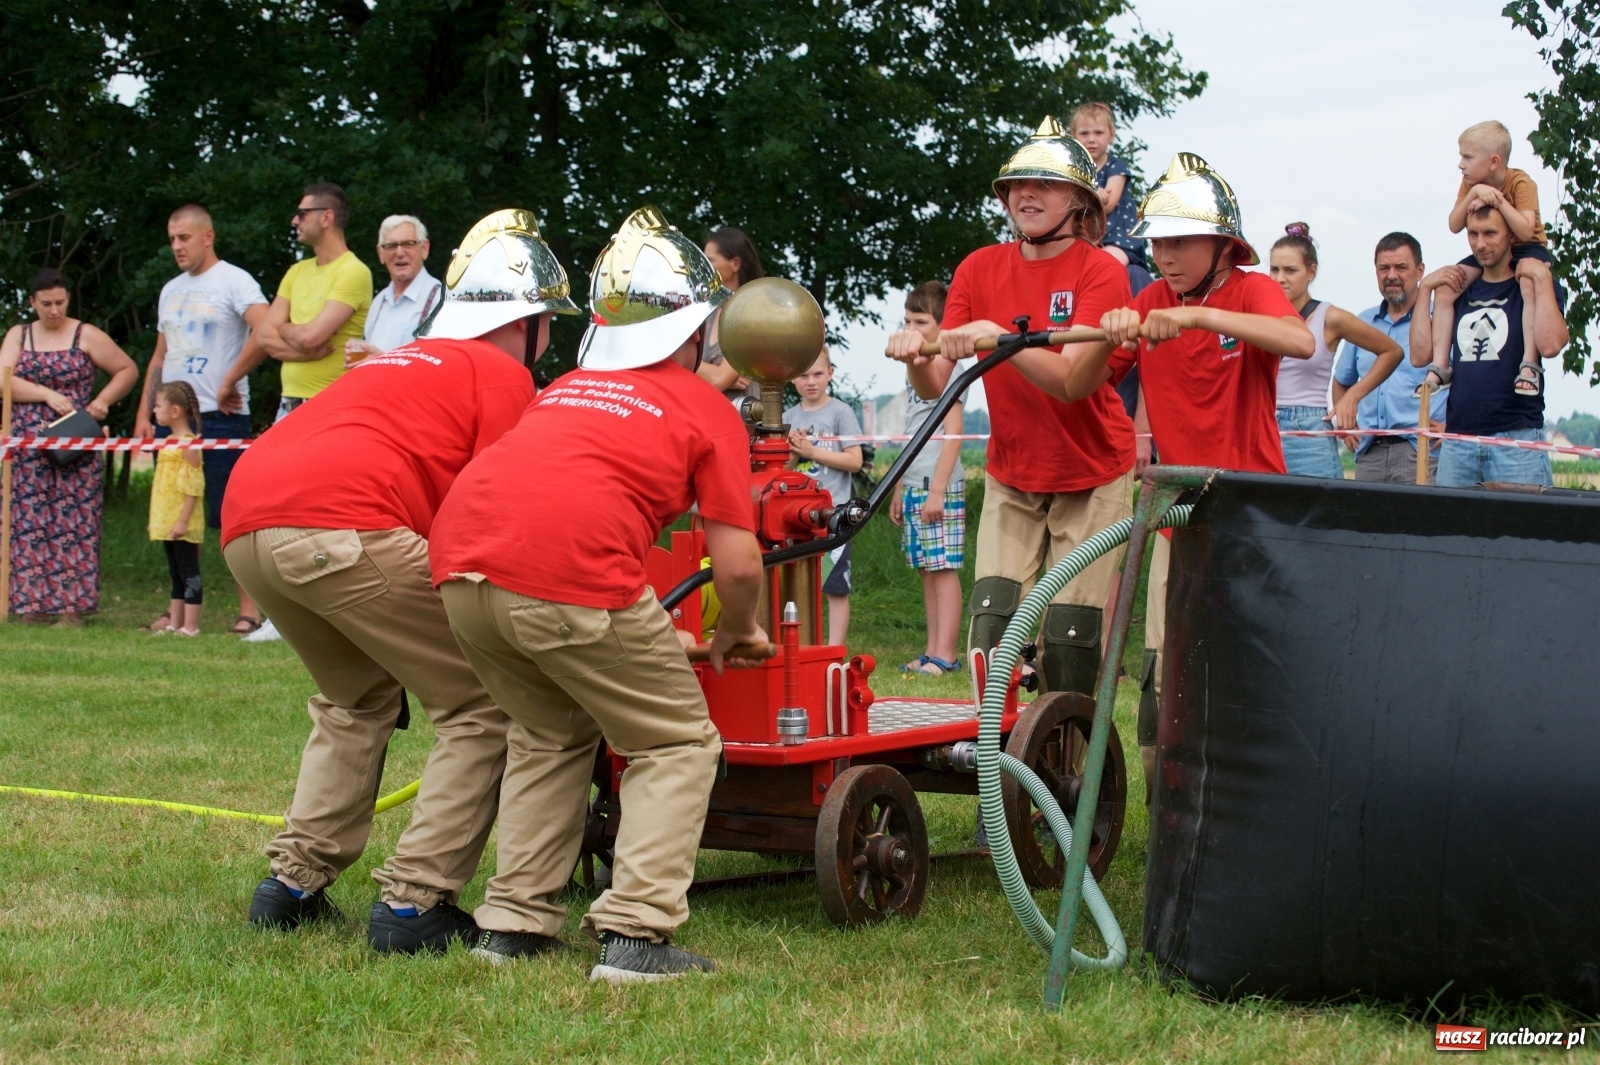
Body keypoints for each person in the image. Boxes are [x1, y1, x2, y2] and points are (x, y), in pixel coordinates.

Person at [221, 209, 580, 953]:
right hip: (341, 525)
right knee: (484, 697)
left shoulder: (400, 359)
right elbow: (497, 511)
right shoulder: (501, 374)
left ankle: (290, 885)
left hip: (247, 522)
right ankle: (416, 902)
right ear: (531, 323)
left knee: (356, 696)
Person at [428, 206, 766, 982]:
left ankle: (512, 924)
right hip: (567, 576)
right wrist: (738, 631)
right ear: (694, 330)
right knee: (675, 740)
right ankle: (635, 937)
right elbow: (738, 563)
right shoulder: (707, 407)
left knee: (548, 731)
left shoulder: (566, 388)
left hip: (460, 569)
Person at [1050, 153, 1315, 795]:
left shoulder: (1251, 288)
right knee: (1164, 664)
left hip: (1252, 510)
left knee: (1251, 658)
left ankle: (1263, 794)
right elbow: (1077, 386)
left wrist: (1198, 317)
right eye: (1157, 242)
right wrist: (1100, 334)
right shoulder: (1147, 300)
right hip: (1176, 512)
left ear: (1222, 244)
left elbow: (1300, 343)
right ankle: (1169, 799)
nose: (1164, 255)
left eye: (1179, 241)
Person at [885, 116, 1135, 699]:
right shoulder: (978, 267)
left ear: (1078, 199)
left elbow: (1073, 382)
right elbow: (936, 385)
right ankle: (996, 769)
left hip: (1095, 473)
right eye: (1016, 184)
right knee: (990, 633)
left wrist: (1000, 336)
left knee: (1070, 643)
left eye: (1044, 184)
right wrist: (912, 357)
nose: (1026, 194)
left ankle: (1069, 777)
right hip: (1013, 473)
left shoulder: (1101, 271)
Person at [136, 203, 270, 635]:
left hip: (219, 416)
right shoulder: (171, 289)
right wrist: (144, 413)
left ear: (208, 236)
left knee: (227, 515)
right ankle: (178, 607)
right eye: (172, 238)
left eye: (185, 237)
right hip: (171, 420)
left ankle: (250, 609)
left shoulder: (235, 280)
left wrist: (232, 379)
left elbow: (265, 329)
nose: (176, 246)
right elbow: (161, 355)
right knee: (174, 515)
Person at [0, 269, 137, 625]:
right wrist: (46, 394)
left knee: (75, 526)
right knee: (27, 524)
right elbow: (4, 380)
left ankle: (71, 610)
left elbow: (126, 369)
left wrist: (102, 401)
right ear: (32, 303)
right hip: (28, 447)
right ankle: (29, 607)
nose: (54, 310)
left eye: (60, 302)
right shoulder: (20, 335)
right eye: (46, 304)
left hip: (75, 444)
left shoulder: (85, 334)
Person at [1412, 206, 1569, 489]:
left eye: (1490, 233)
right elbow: (1420, 356)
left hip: (1516, 439)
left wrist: (1543, 278)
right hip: (1458, 441)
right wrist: (1424, 290)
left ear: (1510, 235)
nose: (1480, 244)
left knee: (1523, 532)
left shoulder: (1531, 286)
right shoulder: (1460, 290)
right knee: (1450, 533)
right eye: (1473, 234)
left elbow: (1552, 345)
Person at [1419, 121, 1550, 398]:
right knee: (1447, 287)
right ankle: (1441, 365)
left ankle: (1529, 364)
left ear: (1493, 161)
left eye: (1467, 157)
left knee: (1528, 284)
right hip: (1489, 250)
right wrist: (1476, 193)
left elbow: (1526, 230)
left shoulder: (1521, 182)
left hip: (1527, 248)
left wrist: (1500, 201)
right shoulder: (1471, 185)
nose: (1460, 165)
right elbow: (1455, 224)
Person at [1268, 223, 1403, 478]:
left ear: (1312, 272)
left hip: (1308, 430)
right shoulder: (1258, 316)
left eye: (1290, 270)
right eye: (1274, 269)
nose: (1279, 278)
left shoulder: (1330, 317)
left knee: (1318, 516)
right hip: (1261, 425)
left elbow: (1392, 351)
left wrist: (1352, 396)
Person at [888, 281, 967, 676]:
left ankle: (947, 654)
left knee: (944, 569)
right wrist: (899, 486)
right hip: (915, 482)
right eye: (906, 321)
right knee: (925, 569)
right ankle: (931, 650)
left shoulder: (951, 369)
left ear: (942, 325)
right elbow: (912, 429)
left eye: (921, 321)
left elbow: (953, 432)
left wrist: (937, 490)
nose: (911, 328)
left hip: (942, 485)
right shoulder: (912, 367)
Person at [1332, 233, 1448, 483]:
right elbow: (1342, 380)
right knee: (1366, 522)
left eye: (1401, 267)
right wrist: (1346, 428)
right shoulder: (1362, 324)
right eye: (1384, 268)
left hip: (1421, 452)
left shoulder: (1440, 322)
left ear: (1420, 271)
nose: (1391, 275)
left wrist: (1456, 426)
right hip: (1369, 452)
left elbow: (1465, 380)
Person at [257, 182, 372, 423]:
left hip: (329, 403)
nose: (294, 221)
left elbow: (311, 337)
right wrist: (306, 354)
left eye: (302, 214)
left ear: (326, 217)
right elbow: (263, 336)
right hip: (288, 404)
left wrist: (285, 327)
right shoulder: (296, 271)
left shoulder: (353, 271)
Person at [785, 347, 865, 646]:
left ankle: (834, 649)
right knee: (797, 583)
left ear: (831, 373)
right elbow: (784, 468)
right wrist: (795, 454)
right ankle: (801, 645)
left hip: (836, 515)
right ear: (793, 379)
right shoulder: (787, 417)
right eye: (804, 375)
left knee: (835, 586)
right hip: (796, 515)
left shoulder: (841, 412)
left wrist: (812, 451)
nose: (811, 381)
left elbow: (855, 460)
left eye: (818, 374)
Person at [1070, 102, 1152, 292]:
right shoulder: (1072, 170)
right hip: (1083, 237)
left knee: (1104, 267)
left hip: (1117, 239)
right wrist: (1095, 193)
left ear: (1111, 135)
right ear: (1074, 135)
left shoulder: (1116, 167)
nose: (1091, 139)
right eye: (1084, 133)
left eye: (1098, 133)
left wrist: (1088, 191)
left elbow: (1107, 204)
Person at [147, 381, 205, 636]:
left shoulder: (189, 444)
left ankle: (191, 626)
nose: (154, 410)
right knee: (175, 573)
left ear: (175, 411)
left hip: (184, 522)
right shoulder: (169, 441)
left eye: (158, 405)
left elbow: (193, 487)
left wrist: (182, 520)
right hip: (167, 519)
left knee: (189, 571)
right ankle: (175, 622)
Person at [344, 214, 442, 364]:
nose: (400, 253)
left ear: (424, 248)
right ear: (380, 254)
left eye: (408, 244)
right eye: (390, 246)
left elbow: (443, 363)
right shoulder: (378, 302)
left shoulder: (440, 299)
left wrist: (382, 361)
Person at [697, 226, 764, 403]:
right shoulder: (706, 312)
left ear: (735, 263)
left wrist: (686, 368)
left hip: (743, 424)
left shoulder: (752, 316)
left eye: (710, 260)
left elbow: (717, 380)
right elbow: (718, 378)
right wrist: (717, 374)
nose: (704, 267)